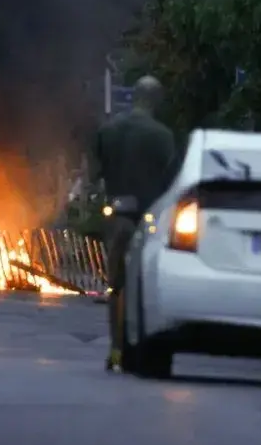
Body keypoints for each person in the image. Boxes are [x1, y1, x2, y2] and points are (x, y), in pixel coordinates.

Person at [90, 75, 176, 372]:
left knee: (116, 287)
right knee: (145, 286)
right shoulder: (163, 136)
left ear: (135, 97)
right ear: (157, 100)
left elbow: (95, 175)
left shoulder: (108, 131)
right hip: (148, 222)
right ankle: (143, 347)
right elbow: (170, 183)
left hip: (116, 218)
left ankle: (115, 351)